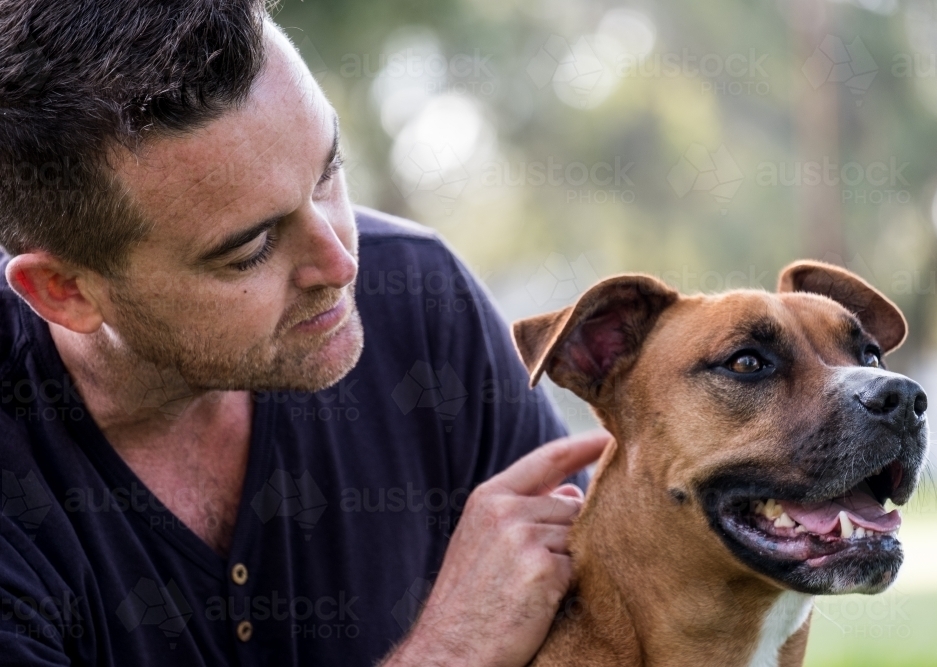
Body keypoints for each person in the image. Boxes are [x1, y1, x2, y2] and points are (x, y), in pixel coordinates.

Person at [0, 2, 609, 665]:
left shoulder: (419, 301)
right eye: (252, 247)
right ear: (66, 290)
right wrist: (451, 650)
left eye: (327, 173)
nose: (342, 263)